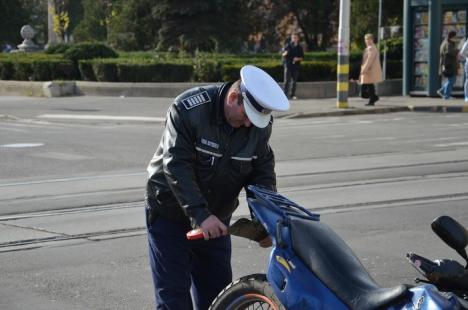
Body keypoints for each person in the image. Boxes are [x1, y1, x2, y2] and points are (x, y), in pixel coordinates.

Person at [145, 65, 289, 310]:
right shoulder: (189, 109)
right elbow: (176, 164)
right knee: (174, 299)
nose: (248, 125)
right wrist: (201, 215)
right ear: (234, 98)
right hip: (170, 213)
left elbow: (261, 171)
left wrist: (264, 222)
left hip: (218, 220)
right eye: (246, 117)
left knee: (218, 297)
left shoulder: (258, 126)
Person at [359, 33, 382, 106]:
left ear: (372, 40)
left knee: (366, 87)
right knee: (369, 85)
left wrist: (364, 69)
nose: (367, 41)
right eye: (366, 39)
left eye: (368, 39)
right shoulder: (368, 48)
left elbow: (369, 60)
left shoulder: (372, 48)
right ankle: (373, 98)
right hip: (368, 71)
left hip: (370, 70)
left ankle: (373, 98)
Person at [282, 32, 304, 100]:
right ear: (291, 38)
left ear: (298, 39)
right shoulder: (288, 45)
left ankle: (292, 95)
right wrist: (285, 53)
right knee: (286, 81)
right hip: (288, 66)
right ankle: (285, 95)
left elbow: (302, 57)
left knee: (294, 82)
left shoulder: (299, 47)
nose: (294, 39)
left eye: (295, 38)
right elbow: (283, 54)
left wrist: (297, 59)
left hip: (296, 66)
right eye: (293, 37)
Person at [438, 31, 459, 100]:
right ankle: (446, 96)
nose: (456, 38)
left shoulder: (445, 42)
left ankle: (441, 91)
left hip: (446, 64)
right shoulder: (448, 43)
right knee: (452, 79)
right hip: (449, 64)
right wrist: (458, 50)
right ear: (451, 37)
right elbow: (450, 52)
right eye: (455, 37)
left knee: (451, 79)